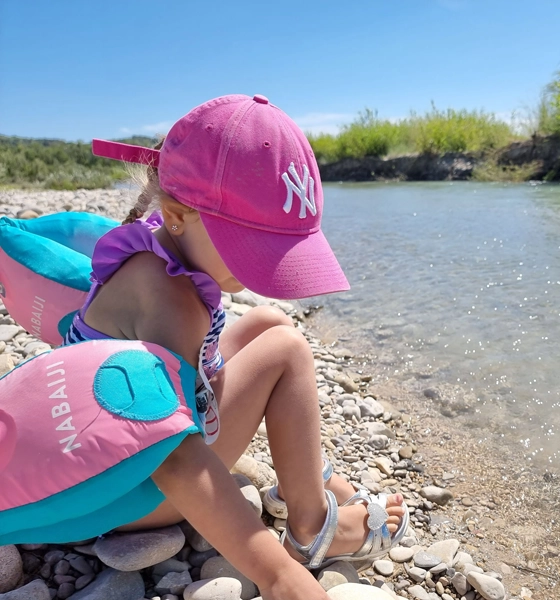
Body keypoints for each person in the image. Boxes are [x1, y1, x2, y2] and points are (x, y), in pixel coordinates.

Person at [68, 94, 408, 600]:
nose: (260, 271)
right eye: (251, 247)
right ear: (180, 213)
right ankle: (313, 526)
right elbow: (175, 460)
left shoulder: (155, 240)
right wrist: (278, 576)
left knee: (266, 320)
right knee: (286, 350)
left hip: (102, 462)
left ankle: (304, 471)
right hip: (125, 497)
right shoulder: (173, 304)